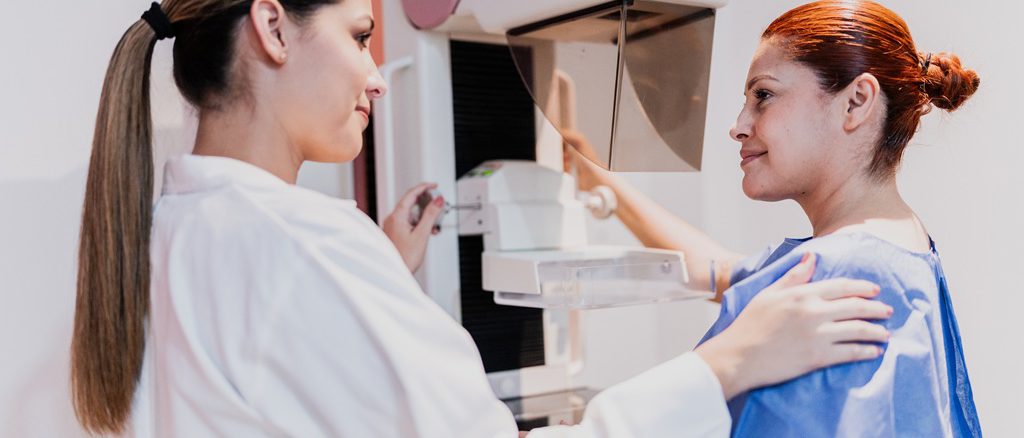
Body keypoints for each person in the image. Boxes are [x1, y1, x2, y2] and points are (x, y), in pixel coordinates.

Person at [70, 1, 894, 436]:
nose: (375, 73)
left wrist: (600, 183)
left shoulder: (160, 230)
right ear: (273, 26)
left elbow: (720, 273)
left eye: (764, 96)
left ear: (858, 105)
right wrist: (724, 365)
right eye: (359, 35)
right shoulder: (306, 249)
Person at [566, 1, 981, 436]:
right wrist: (601, 181)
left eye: (763, 95)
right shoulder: (897, 247)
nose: (738, 126)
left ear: (856, 102)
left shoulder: (836, 274)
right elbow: (719, 271)